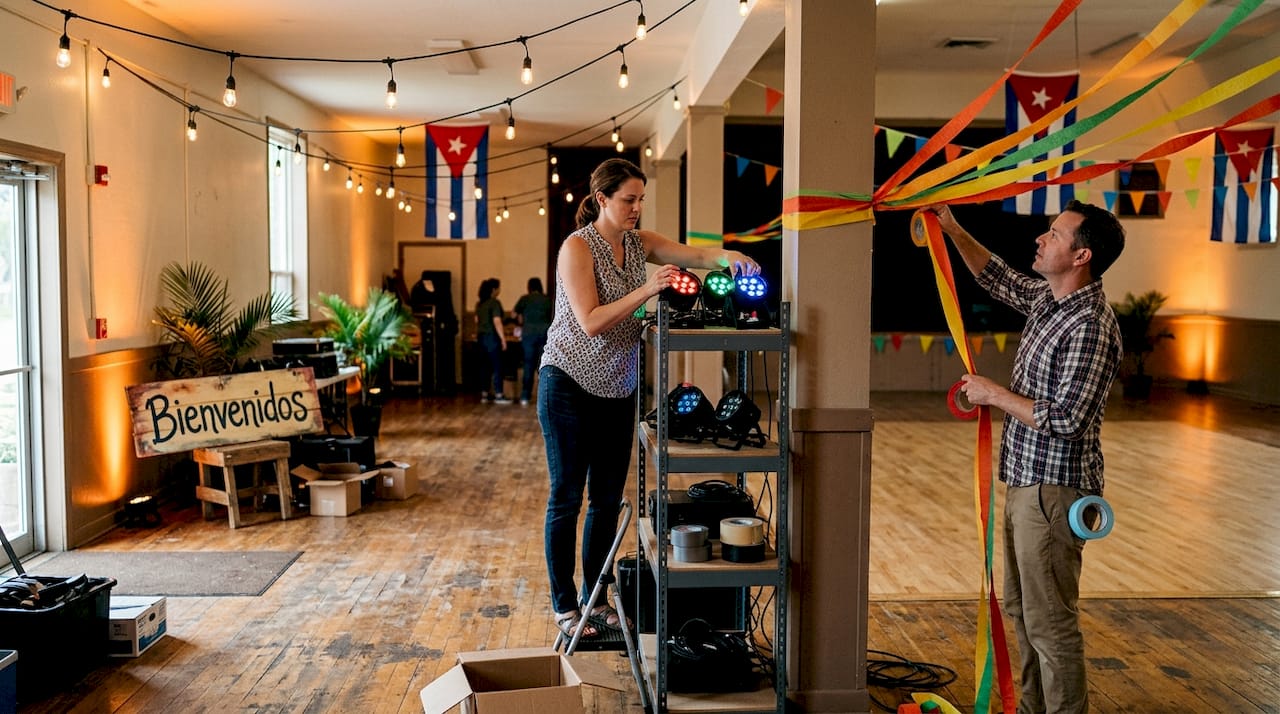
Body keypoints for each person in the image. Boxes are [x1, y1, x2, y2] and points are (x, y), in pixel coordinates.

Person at [538, 158, 760, 639]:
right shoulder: (577, 247)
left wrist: (731, 256)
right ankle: (565, 607)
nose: (637, 208)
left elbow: (697, 255)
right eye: (628, 199)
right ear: (602, 199)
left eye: (641, 199)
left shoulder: (639, 243)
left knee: (606, 501)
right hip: (567, 382)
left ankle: (594, 601)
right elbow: (591, 320)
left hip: (617, 386)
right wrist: (647, 290)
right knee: (567, 497)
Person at [928, 201, 1125, 714]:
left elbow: (1068, 420)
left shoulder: (1090, 325)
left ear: (1081, 256)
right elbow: (995, 277)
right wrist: (952, 229)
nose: (1040, 238)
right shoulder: (1047, 298)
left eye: (1054, 234)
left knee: (1050, 622)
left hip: (1054, 492)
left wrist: (994, 394)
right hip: (1024, 482)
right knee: (1022, 610)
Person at [513, 277, 553, 406]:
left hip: (528, 334)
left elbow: (514, 314)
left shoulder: (525, 299)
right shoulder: (547, 299)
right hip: (544, 334)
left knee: (528, 364)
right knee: (543, 365)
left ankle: (525, 396)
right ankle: (544, 397)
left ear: (529, 287)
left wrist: (522, 317)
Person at [475, 277, 510, 403]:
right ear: (494, 289)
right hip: (492, 337)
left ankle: (484, 394)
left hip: (481, 337)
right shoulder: (494, 303)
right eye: (499, 288)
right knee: (497, 366)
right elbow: (497, 321)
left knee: (484, 366)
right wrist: (503, 339)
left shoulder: (480, 304)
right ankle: (499, 394)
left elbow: (476, 320)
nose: (500, 290)